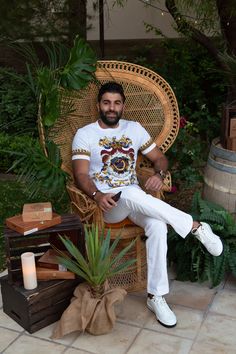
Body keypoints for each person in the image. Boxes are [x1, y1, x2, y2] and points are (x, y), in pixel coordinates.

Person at [72, 82, 223, 328]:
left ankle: (156, 296)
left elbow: (160, 158)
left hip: (135, 202)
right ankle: (195, 226)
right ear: (99, 104)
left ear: (123, 105)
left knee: (157, 226)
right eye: (107, 102)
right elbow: (81, 175)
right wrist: (97, 195)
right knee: (130, 193)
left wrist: (159, 175)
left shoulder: (135, 129)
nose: (112, 108)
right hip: (109, 206)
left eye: (117, 103)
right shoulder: (85, 134)